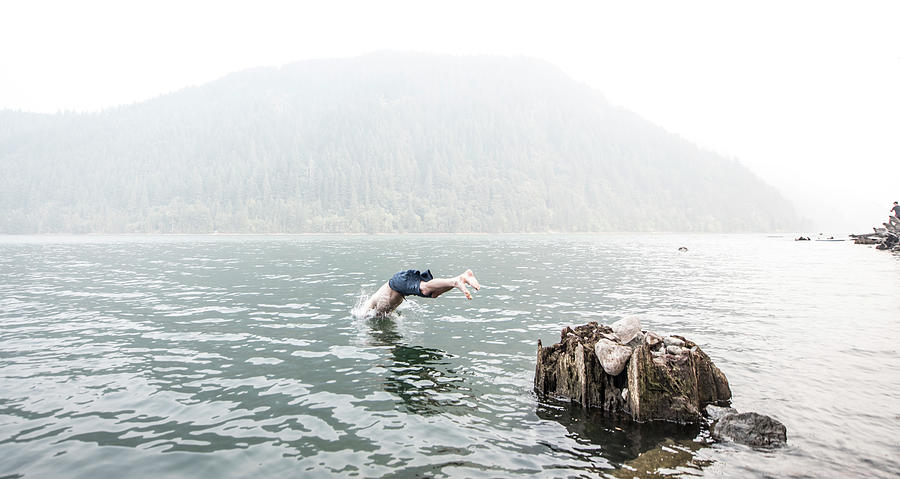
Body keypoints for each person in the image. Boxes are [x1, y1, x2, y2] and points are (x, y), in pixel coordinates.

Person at [364, 268, 481, 316]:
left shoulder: (370, 306)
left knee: (425, 288)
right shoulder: (381, 312)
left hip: (396, 283)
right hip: (400, 287)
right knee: (433, 294)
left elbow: (364, 312)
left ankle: (456, 282)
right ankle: (461, 278)